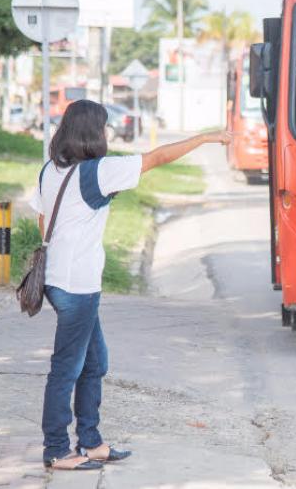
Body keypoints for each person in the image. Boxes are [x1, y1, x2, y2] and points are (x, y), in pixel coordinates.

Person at [30, 100, 231, 471]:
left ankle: (91, 442)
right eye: (104, 127)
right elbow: (157, 158)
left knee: (95, 363)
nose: (107, 133)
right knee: (67, 368)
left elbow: (43, 221)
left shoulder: (51, 170)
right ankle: (56, 449)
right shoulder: (98, 172)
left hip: (58, 281)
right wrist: (204, 139)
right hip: (77, 286)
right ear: (94, 132)